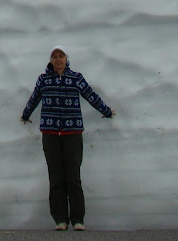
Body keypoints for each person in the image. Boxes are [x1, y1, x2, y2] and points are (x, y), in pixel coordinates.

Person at [21, 45, 115, 231]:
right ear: (50, 60)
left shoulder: (76, 78)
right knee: (56, 178)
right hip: (50, 133)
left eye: (61, 56)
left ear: (66, 58)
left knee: (73, 177)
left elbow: (90, 95)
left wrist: (106, 111)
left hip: (73, 133)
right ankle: (60, 220)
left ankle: (78, 219)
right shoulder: (44, 79)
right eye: (54, 56)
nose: (58, 59)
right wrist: (26, 115)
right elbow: (34, 98)